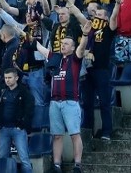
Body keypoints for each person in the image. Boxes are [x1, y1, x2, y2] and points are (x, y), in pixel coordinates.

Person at [36, 20, 92, 173]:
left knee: (75, 134)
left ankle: (78, 165)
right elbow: (39, 48)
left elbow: (82, 47)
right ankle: (56, 165)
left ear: (72, 47)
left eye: (66, 44)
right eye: (62, 43)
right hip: (55, 102)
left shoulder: (75, 58)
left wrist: (85, 34)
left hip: (70, 102)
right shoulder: (55, 57)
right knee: (57, 136)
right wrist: (25, 35)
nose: (63, 45)